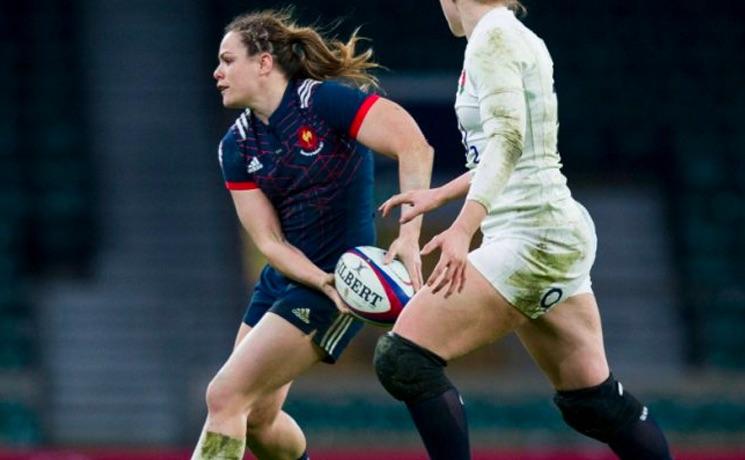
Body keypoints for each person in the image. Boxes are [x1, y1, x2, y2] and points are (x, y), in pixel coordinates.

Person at [373, 1, 673, 459]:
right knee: (592, 403)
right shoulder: (510, 35)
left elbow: (508, 143)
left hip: (531, 236)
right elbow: (513, 149)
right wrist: (441, 194)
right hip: (549, 231)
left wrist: (460, 229)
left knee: (405, 358)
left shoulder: (492, 40)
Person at [191, 9, 433, 460]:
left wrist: (408, 236)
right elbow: (268, 242)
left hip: (343, 282)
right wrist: (315, 278)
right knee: (258, 420)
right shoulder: (235, 145)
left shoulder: (324, 103)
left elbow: (413, 145)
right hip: (291, 280)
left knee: (224, 397)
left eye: (228, 60)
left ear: (264, 62)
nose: (217, 72)